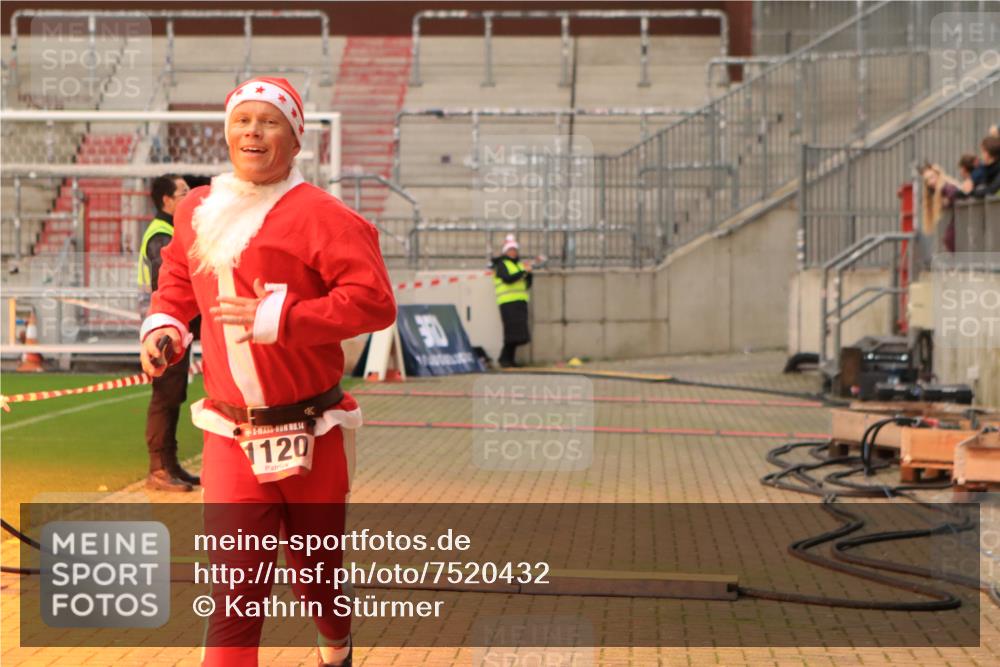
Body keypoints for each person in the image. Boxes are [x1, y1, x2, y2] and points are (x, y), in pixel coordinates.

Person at [139, 77, 396, 667]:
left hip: (313, 430)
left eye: (269, 121)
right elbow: (178, 277)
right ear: (228, 132)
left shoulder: (325, 216)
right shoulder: (198, 206)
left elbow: (375, 302)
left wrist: (284, 315)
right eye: (242, 120)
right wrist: (165, 327)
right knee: (236, 592)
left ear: (295, 137)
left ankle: (337, 649)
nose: (253, 131)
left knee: (317, 576)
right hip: (231, 433)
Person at [138, 173, 199, 492]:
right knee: (165, 396)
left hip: (176, 328)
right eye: (184, 193)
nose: (190, 198)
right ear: (166, 201)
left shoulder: (173, 230)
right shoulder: (162, 235)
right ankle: (159, 468)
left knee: (174, 396)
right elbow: (170, 284)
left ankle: (171, 464)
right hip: (165, 331)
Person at [491, 234, 532, 368]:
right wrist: (522, 272)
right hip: (507, 303)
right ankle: (504, 359)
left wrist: (528, 273)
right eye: (510, 250)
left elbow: (527, 284)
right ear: (505, 251)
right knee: (511, 332)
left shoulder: (520, 265)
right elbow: (507, 278)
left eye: (515, 250)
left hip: (520, 302)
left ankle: (509, 359)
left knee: (519, 333)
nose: (513, 252)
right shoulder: (502, 264)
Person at [919, 163, 960, 260]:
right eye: (927, 180)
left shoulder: (946, 187)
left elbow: (954, 193)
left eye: (932, 177)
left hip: (962, 218)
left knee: (949, 238)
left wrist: (947, 200)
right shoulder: (935, 191)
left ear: (938, 175)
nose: (930, 182)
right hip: (956, 218)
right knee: (948, 239)